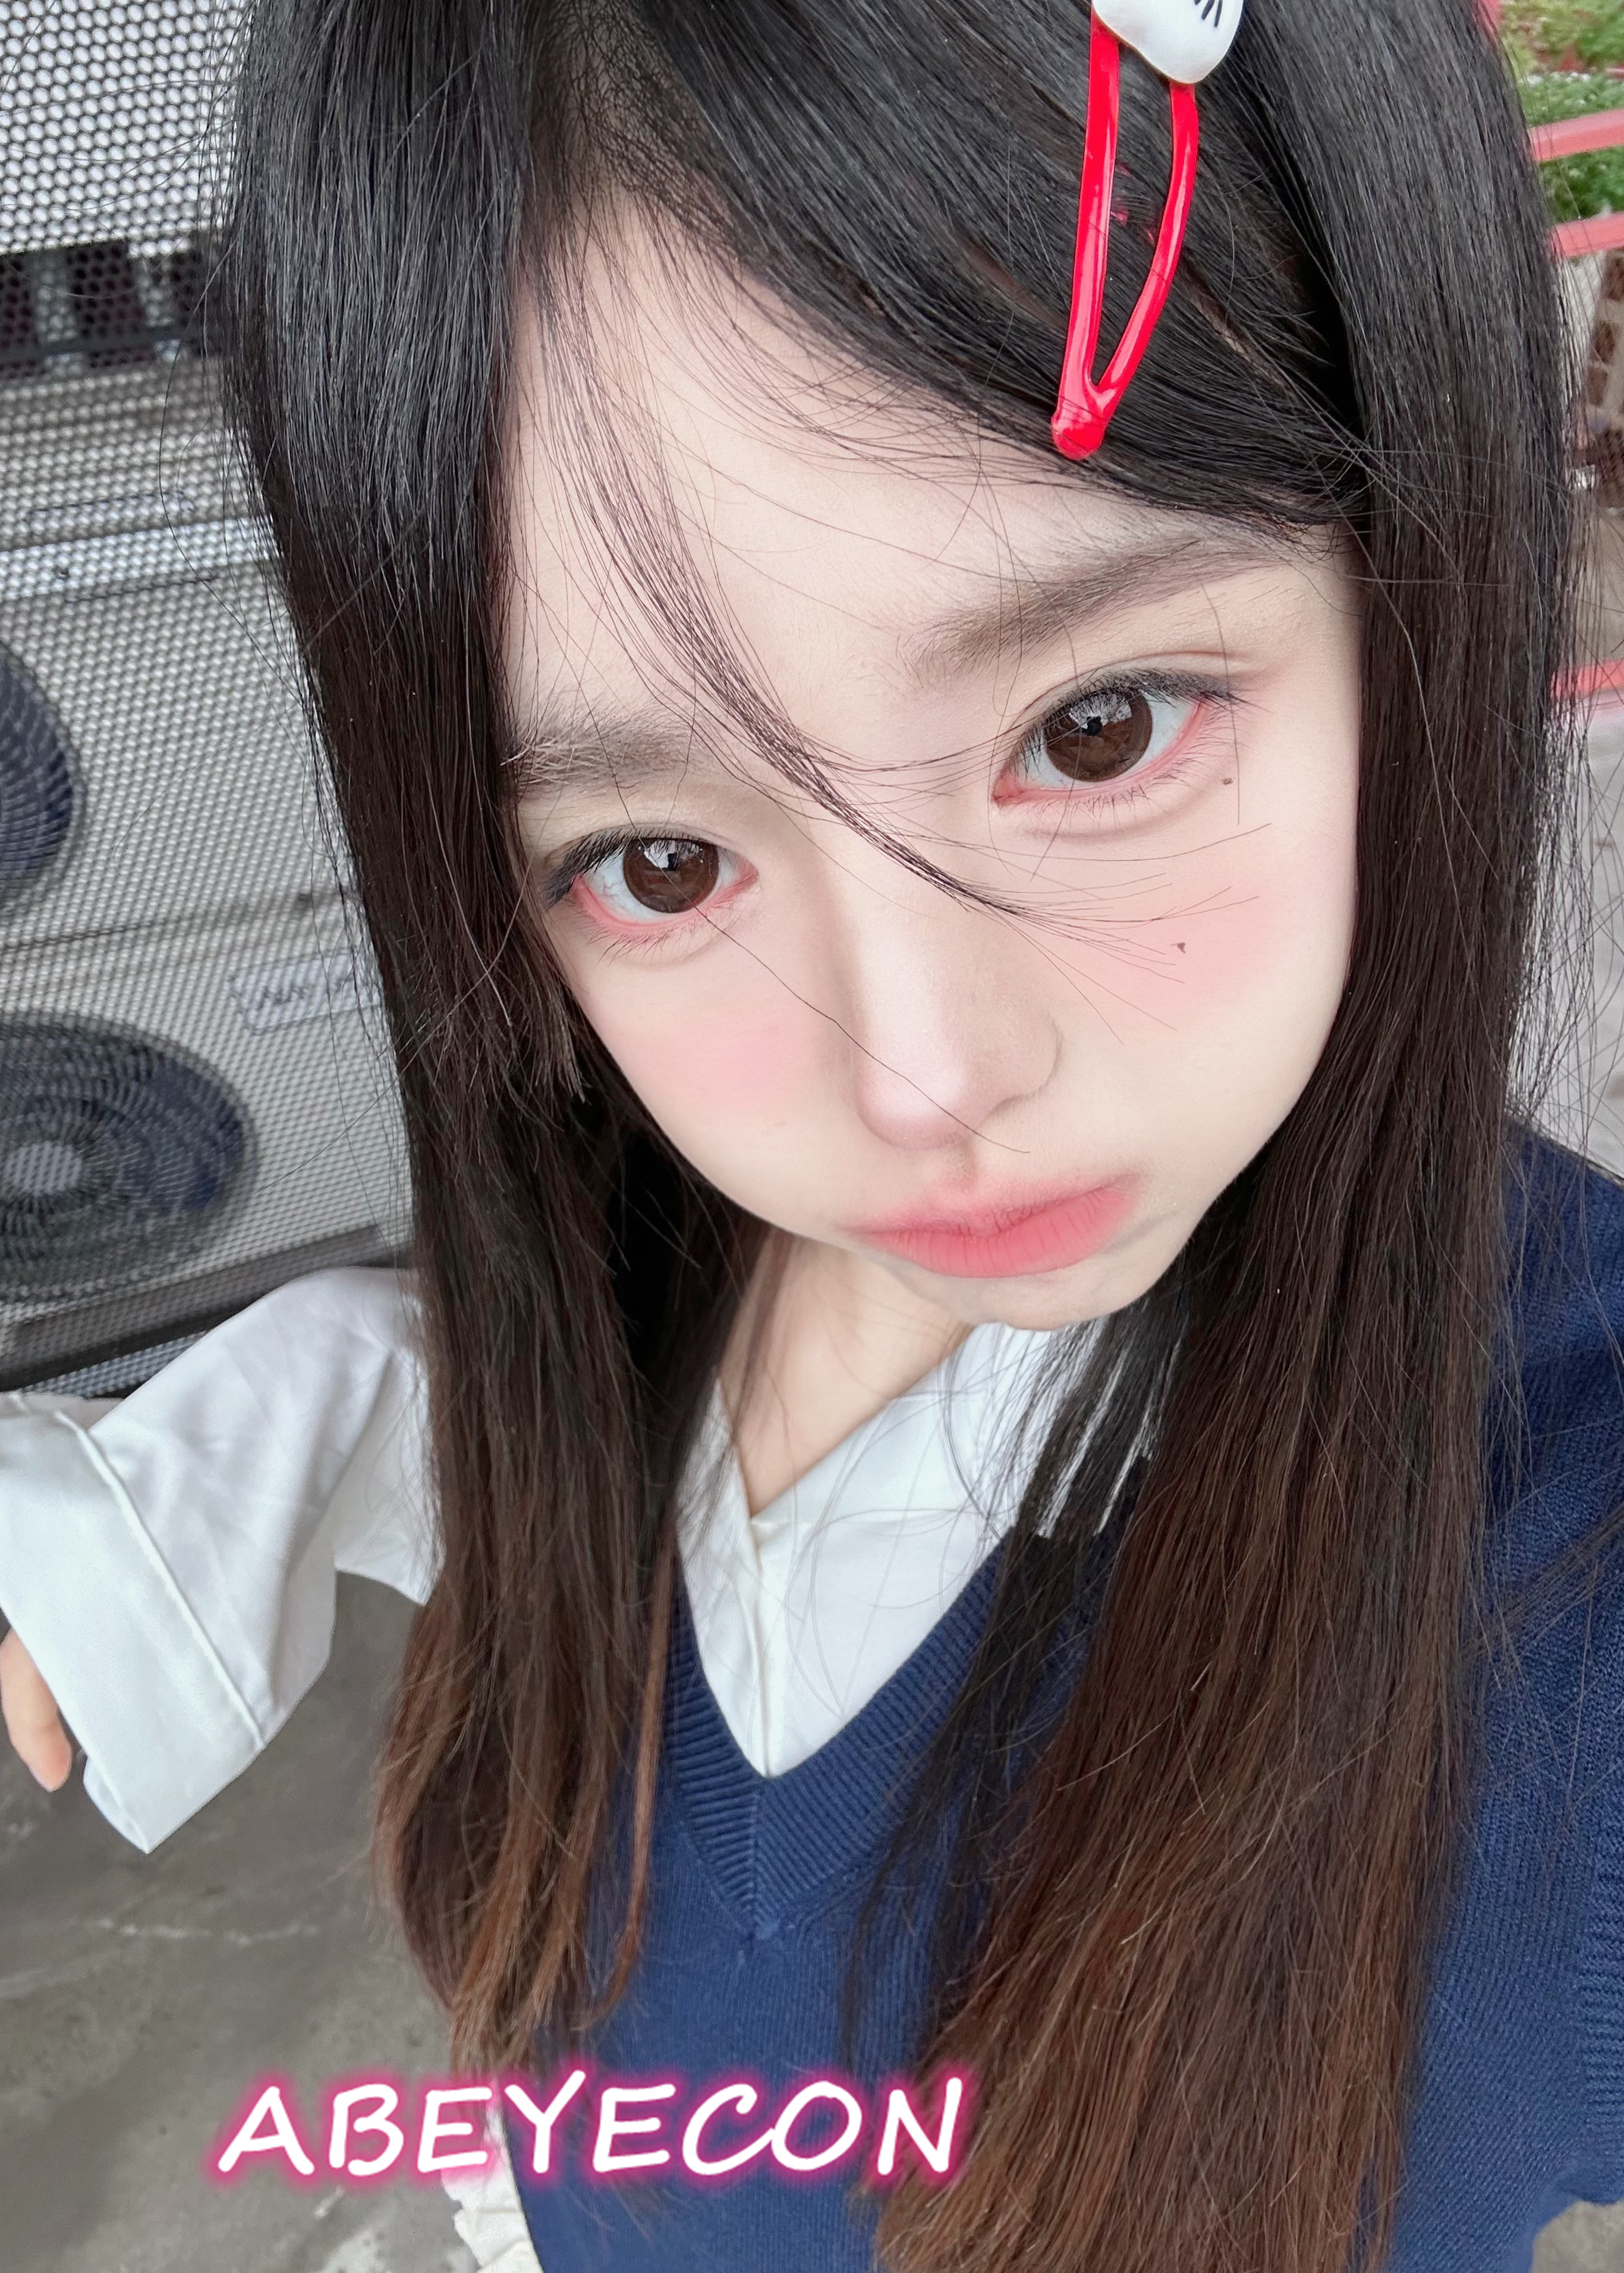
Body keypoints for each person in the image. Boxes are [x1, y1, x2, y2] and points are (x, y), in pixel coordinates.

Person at [2, 0, 1622, 2268]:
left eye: (1096, 726)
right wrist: (202, 1475)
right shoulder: (663, 1226)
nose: (918, 1077)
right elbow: (577, 1413)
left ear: (1411, 581)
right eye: (659, 862)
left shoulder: (1558, 1607)